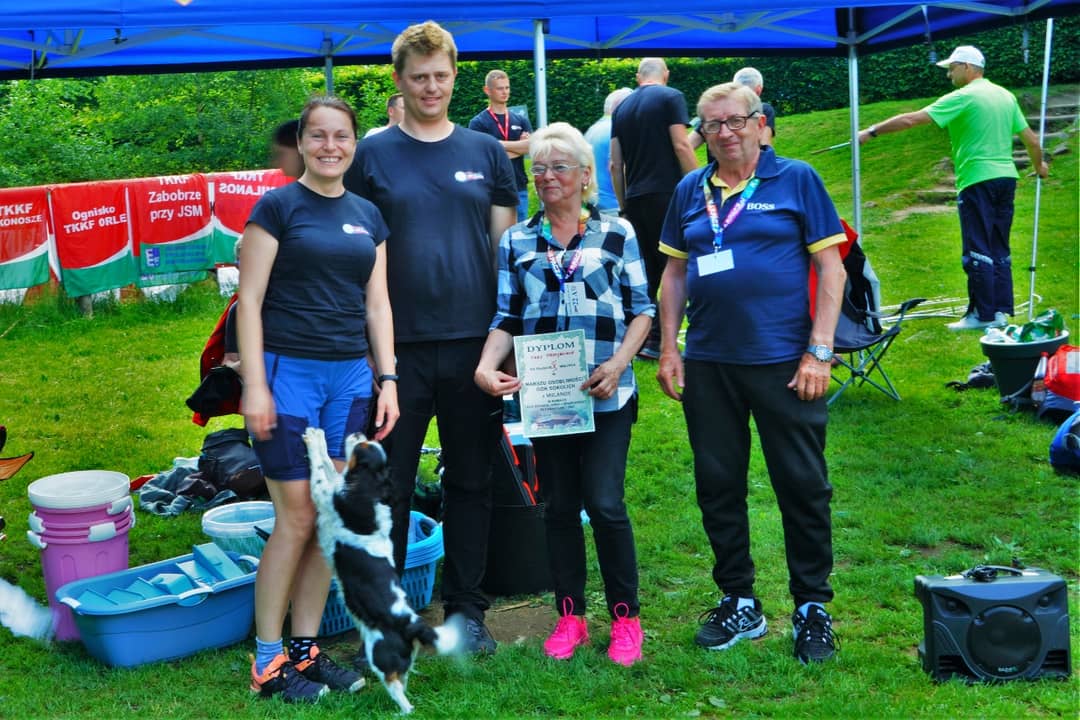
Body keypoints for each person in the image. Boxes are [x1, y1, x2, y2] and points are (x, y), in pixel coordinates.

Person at [656, 82, 847, 665]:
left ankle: (812, 607)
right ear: (702, 133)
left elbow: (831, 269)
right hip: (710, 363)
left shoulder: (797, 179)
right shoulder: (690, 189)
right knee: (718, 485)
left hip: (786, 363)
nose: (726, 133)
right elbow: (674, 276)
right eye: (713, 125)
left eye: (736, 121)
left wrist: (819, 351)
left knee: (802, 485)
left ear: (760, 123)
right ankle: (739, 599)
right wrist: (669, 348)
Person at [344, 20, 518, 655]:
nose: (431, 87)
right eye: (419, 77)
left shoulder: (486, 152)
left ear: (454, 76)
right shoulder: (371, 156)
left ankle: (467, 609)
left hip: (475, 345)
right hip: (399, 350)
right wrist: (372, 353)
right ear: (399, 80)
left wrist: (507, 338)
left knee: (471, 479)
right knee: (387, 485)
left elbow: (505, 252)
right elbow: (354, 254)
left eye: (441, 76)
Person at [238, 95, 400, 702]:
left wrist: (389, 378)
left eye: (341, 136)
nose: (331, 146)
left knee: (329, 515)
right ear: (302, 144)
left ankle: (304, 649)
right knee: (298, 516)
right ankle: (267, 660)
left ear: (355, 143)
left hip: (350, 380)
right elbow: (250, 302)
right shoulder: (276, 208)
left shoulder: (369, 216)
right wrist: (255, 385)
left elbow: (377, 305)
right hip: (288, 376)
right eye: (318, 136)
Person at [474, 122, 654, 667]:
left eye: (559, 167)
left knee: (605, 503)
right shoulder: (517, 240)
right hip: (549, 398)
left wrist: (618, 363)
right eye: (539, 169)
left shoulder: (617, 231)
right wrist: (485, 365)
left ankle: (625, 617)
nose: (548, 177)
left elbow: (642, 310)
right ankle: (570, 615)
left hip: (607, 392)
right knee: (558, 507)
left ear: (585, 175)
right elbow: (506, 315)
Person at [858, 45, 1048, 331]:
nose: (949, 74)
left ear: (967, 67)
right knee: (999, 246)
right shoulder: (1005, 96)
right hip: (1006, 180)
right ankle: (999, 312)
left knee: (978, 248)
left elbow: (912, 119)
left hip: (976, 179)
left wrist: (870, 132)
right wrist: (1039, 166)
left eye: (952, 68)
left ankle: (982, 315)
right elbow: (1032, 141)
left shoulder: (964, 97)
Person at [610, 57, 698, 360]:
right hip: (668, 195)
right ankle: (666, 338)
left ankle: (645, 338)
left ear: (638, 77)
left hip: (636, 199)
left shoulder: (621, 108)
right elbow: (682, 145)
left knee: (647, 273)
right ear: (666, 74)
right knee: (680, 265)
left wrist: (623, 205)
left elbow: (614, 164)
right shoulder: (671, 97)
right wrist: (700, 187)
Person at [469, 69, 534, 221]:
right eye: (500, 88)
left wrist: (496, 145)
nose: (505, 92)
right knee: (494, 234)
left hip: (519, 187)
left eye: (507, 87)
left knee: (519, 233)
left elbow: (531, 147)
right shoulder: (478, 123)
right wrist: (518, 146)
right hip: (492, 189)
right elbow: (484, 157)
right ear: (487, 90)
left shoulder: (520, 120)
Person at [690, 67, 777, 156]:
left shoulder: (715, 111)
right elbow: (764, 147)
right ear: (759, 90)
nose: (725, 134)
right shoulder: (763, 109)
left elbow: (687, 146)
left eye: (736, 121)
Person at [584, 87, 632, 214]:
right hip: (614, 206)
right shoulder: (617, 129)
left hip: (592, 202)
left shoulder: (592, 129)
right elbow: (617, 167)